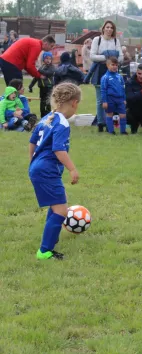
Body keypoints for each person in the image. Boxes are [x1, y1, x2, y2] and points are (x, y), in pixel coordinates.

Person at [28, 83, 82, 260]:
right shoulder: (62, 123)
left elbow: (32, 141)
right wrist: (72, 169)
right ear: (74, 103)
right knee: (61, 210)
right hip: (46, 171)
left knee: (58, 203)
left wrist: (32, 163)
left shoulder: (47, 118)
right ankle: (45, 252)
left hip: (39, 168)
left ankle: (51, 240)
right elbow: (59, 150)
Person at [89, 20, 123, 133]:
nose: (109, 29)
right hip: (100, 70)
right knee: (100, 100)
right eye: (107, 27)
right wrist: (107, 57)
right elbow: (92, 56)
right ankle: (100, 122)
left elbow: (121, 57)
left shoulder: (116, 41)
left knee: (112, 99)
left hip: (113, 72)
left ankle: (109, 123)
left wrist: (112, 62)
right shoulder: (97, 40)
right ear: (103, 28)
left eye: (111, 28)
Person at [100, 57, 127, 135]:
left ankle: (123, 131)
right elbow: (103, 90)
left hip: (120, 99)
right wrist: (104, 101)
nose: (115, 66)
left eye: (116, 65)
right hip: (110, 98)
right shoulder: (105, 77)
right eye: (112, 65)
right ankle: (111, 131)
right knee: (110, 114)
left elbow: (123, 88)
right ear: (107, 65)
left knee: (123, 114)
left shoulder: (120, 77)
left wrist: (124, 98)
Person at [36, 52, 56, 118]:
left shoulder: (52, 67)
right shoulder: (42, 67)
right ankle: (42, 115)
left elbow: (48, 73)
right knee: (42, 101)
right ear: (43, 59)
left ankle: (48, 115)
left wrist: (39, 71)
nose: (48, 60)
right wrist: (31, 86)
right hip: (42, 87)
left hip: (49, 87)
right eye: (46, 58)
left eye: (50, 59)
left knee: (48, 101)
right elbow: (36, 77)